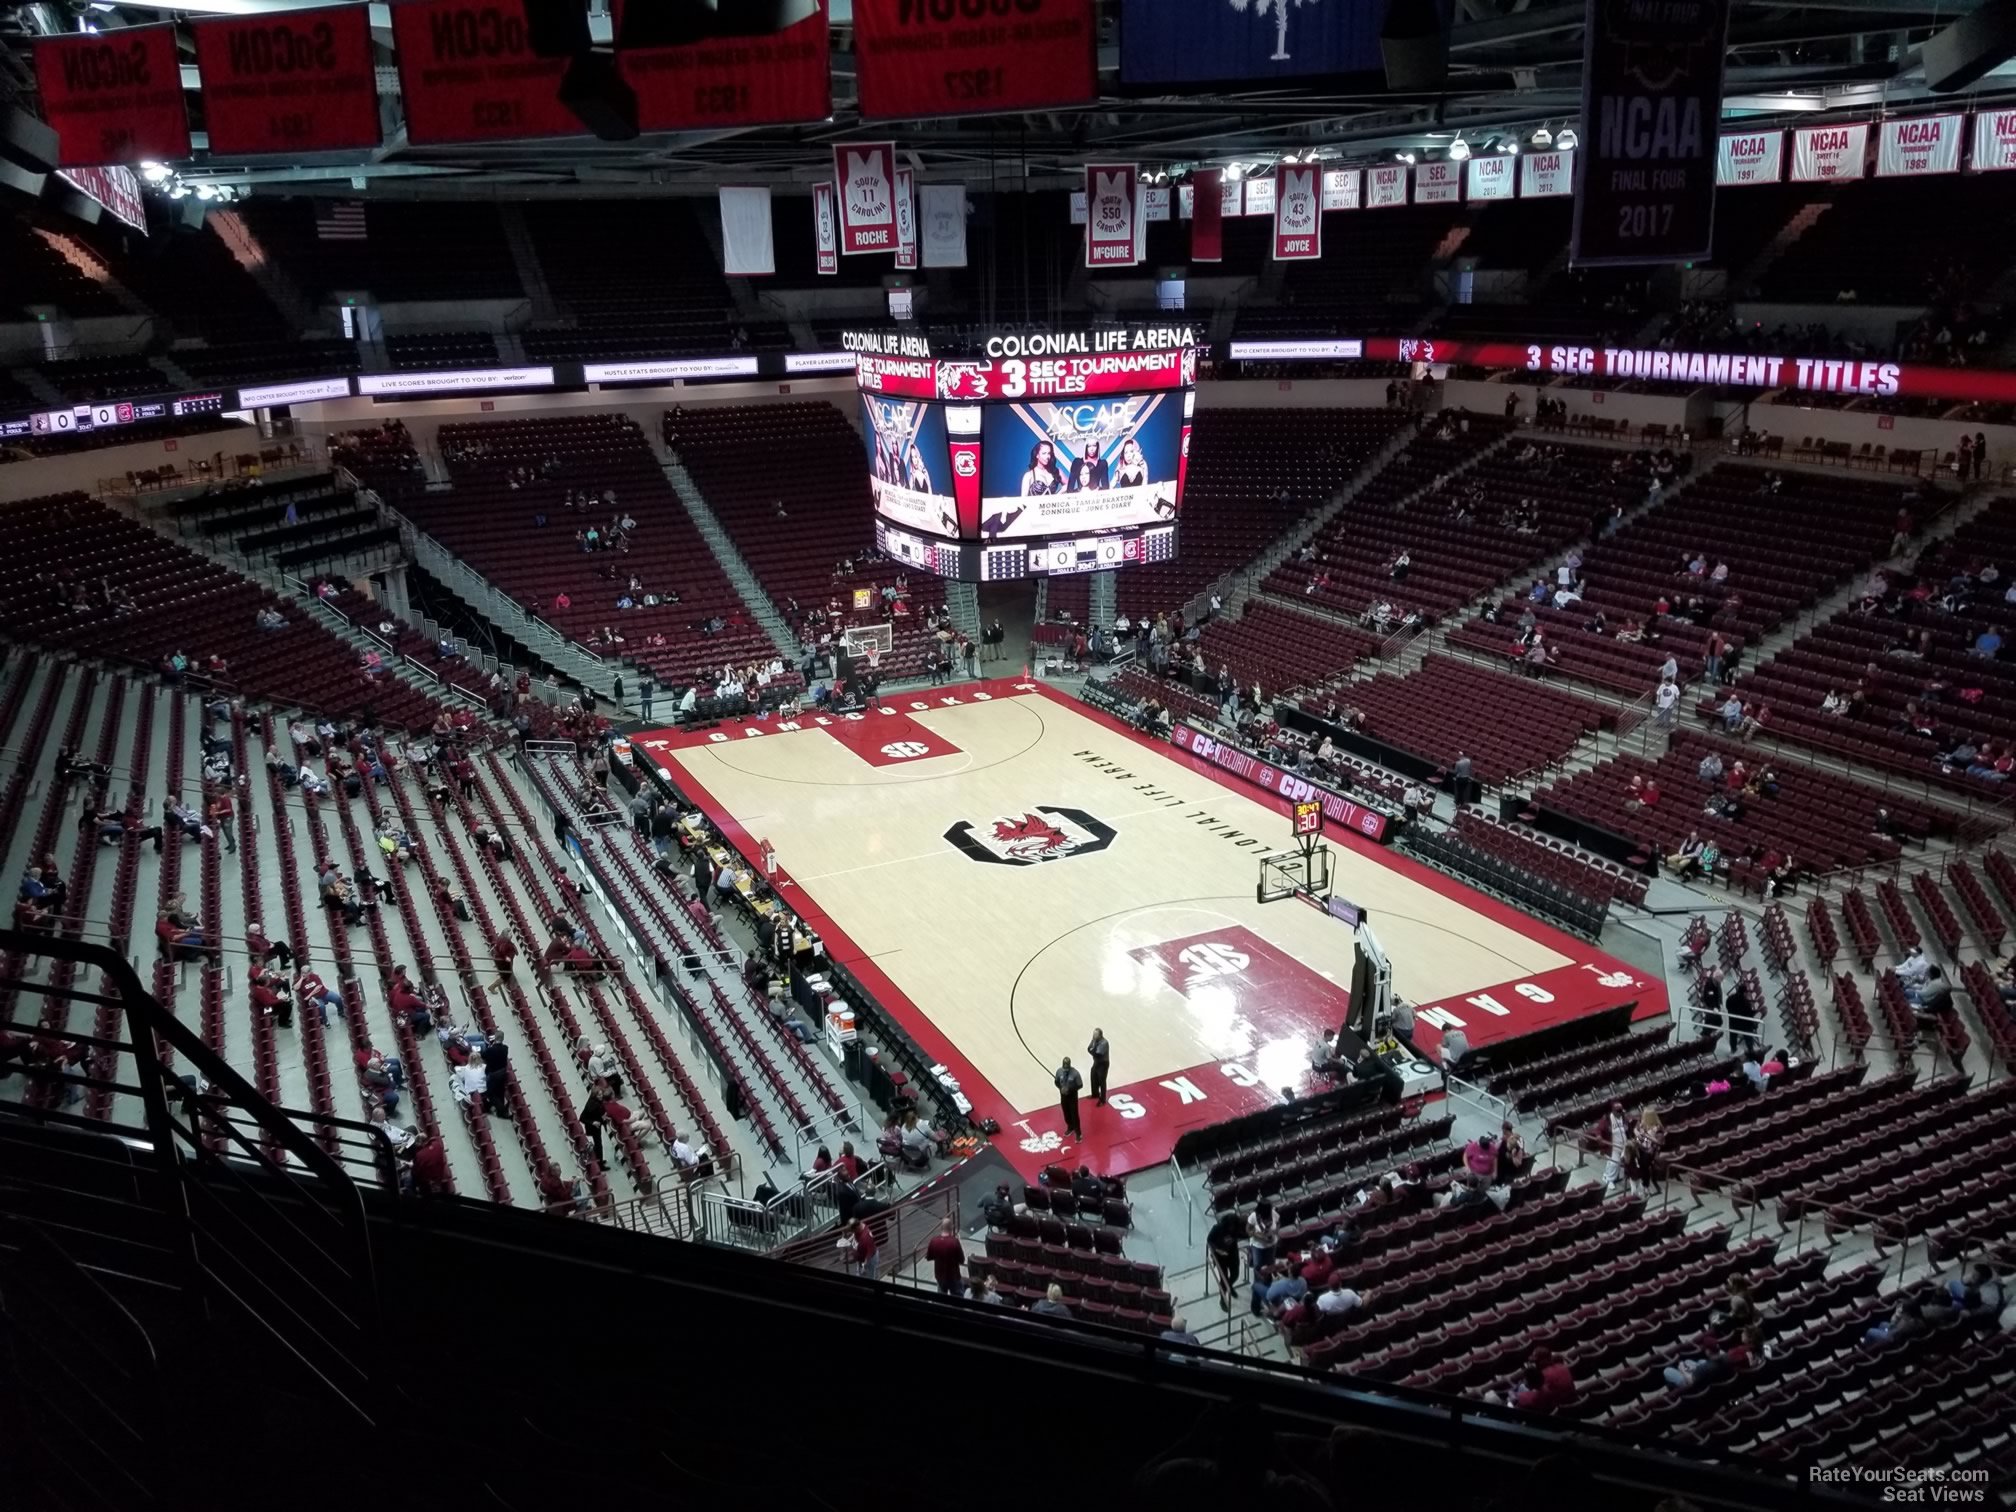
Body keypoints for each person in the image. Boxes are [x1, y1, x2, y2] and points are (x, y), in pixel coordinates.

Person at [925, 1217, 966, 1297]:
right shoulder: (954, 1242)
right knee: (958, 1298)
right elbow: (961, 1260)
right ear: (951, 1228)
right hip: (953, 1276)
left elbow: (929, 1257)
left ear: (941, 1228)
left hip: (939, 1276)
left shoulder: (934, 1241)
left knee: (941, 1298)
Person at [1055, 1055, 1083, 1140]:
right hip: (1063, 1096)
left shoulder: (1075, 1073)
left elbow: (1080, 1085)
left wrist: (1069, 1089)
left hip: (1072, 1096)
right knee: (1066, 1113)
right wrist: (1060, 1088)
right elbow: (1056, 1082)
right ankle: (1070, 1127)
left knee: (1074, 1114)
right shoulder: (1059, 1072)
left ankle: (1078, 1133)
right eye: (1064, 1068)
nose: (1065, 1070)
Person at [849, 1215, 879, 1281]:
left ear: (857, 1227)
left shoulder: (866, 1238)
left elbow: (869, 1253)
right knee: (860, 1275)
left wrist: (864, 1266)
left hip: (869, 1261)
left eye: (853, 1230)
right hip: (861, 1258)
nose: (853, 1232)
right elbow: (854, 1235)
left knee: (870, 1278)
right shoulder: (860, 1225)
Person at [1086, 1027, 1110, 1105]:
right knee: (1093, 1077)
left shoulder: (1104, 1043)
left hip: (1103, 1064)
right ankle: (1095, 1094)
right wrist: (1092, 1051)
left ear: (1100, 1035)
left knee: (1102, 1081)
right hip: (1096, 1062)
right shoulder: (1094, 1040)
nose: (1094, 1036)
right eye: (1093, 1034)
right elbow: (1089, 1048)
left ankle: (1103, 1100)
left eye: (1095, 1034)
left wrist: (1092, 1050)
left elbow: (1097, 1053)